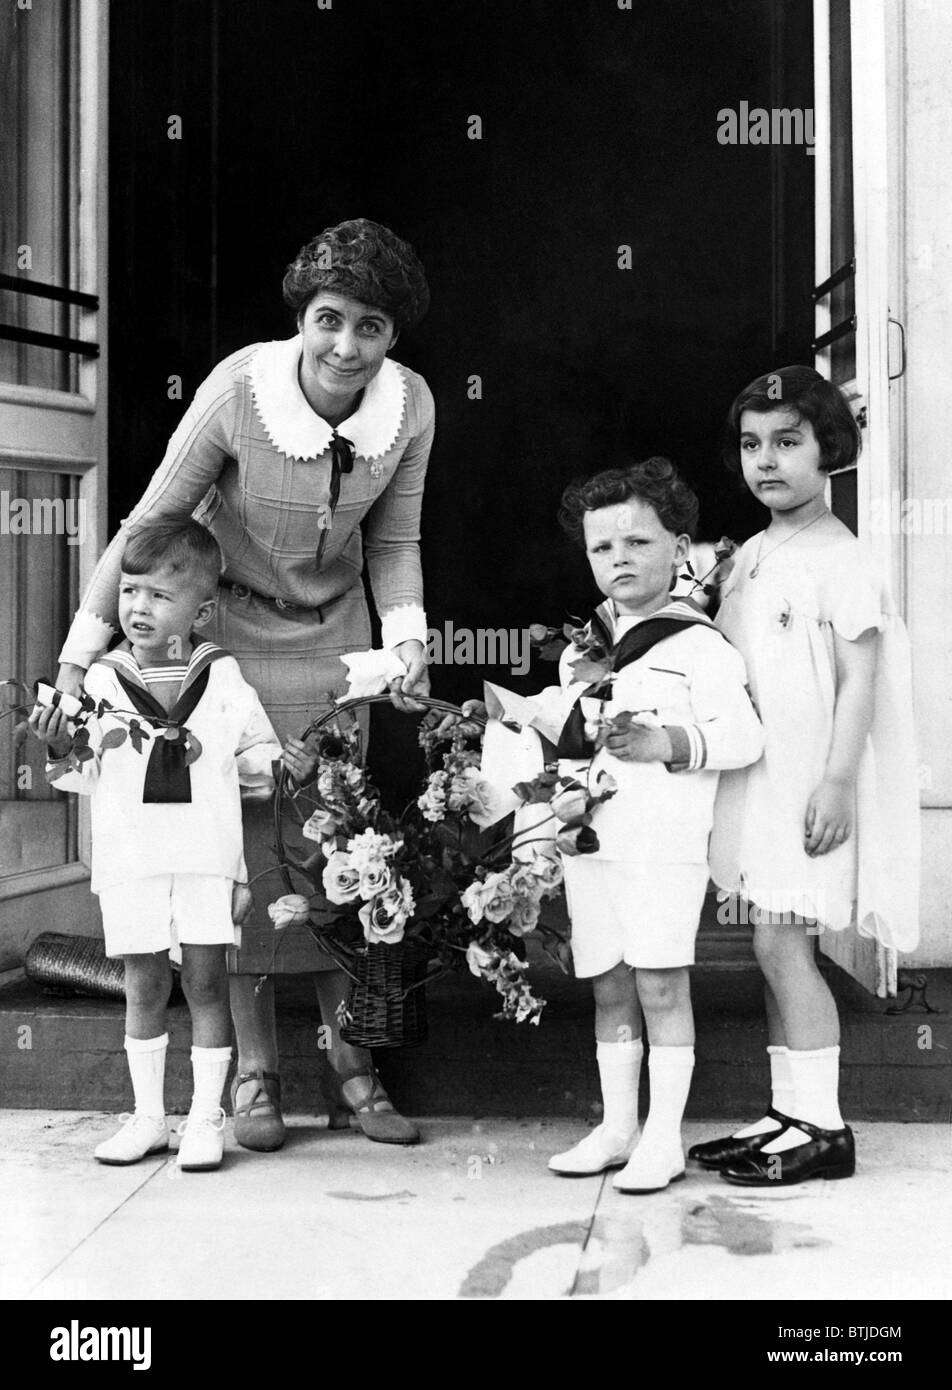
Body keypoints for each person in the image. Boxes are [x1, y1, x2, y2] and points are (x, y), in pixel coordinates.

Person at [55, 219, 434, 1148]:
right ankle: (257, 1079)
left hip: (337, 644)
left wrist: (411, 637)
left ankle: (355, 1066)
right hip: (233, 642)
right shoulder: (239, 391)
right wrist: (76, 658)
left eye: (371, 328)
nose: (346, 347)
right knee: (250, 862)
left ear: (393, 338)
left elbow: (393, 541)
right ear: (303, 317)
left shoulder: (413, 406)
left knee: (335, 854)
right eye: (329, 320)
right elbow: (151, 521)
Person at [457, 459, 764, 1192]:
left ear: (680, 549)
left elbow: (746, 737)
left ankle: (664, 1136)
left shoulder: (698, 646)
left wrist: (669, 745)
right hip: (593, 842)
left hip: (662, 845)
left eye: (637, 542)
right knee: (609, 984)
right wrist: (521, 725)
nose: (619, 559)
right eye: (603, 548)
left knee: (661, 984)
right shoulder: (583, 651)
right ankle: (618, 1126)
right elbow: (573, 732)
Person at [694, 366, 920, 1186]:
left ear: (830, 449)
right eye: (753, 445)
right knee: (768, 943)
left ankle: (827, 1128)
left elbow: (862, 677)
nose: (767, 461)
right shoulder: (751, 553)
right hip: (759, 779)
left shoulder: (842, 558)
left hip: (807, 784)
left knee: (784, 944)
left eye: (788, 443)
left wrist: (836, 783)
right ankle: (790, 1110)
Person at [30, 522, 282, 1171]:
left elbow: (259, 758)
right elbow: (78, 772)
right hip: (132, 859)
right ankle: (147, 1117)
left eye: (157, 596)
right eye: (130, 591)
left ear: (200, 611)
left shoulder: (220, 677)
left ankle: (205, 1118)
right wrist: (60, 743)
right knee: (143, 984)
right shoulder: (105, 683)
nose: (137, 608)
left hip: (205, 856)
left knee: (204, 982)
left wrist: (277, 768)